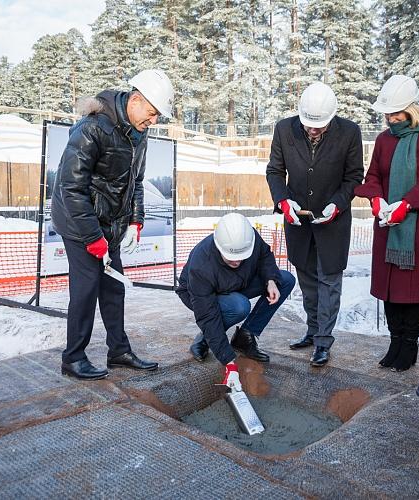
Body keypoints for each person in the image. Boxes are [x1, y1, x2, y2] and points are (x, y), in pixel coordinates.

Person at [51, 69, 175, 380]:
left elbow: (136, 180)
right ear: (135, 100)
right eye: (152, 112)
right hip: (79, 222)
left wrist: (136, 219)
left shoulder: (138, 132)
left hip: (111, 224)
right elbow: (71, 188)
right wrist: (92, 236)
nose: (154, 120)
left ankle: (118, 351)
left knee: (113, 289)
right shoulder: (92, 129)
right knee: (86, 288)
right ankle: (73, 357)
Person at [353, 75, 419, 372]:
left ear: (413, 109)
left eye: (397, 112)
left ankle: (409, 344)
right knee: (390, 288)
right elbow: (373, 177)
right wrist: (377, 200)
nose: (391, 118)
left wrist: (406, 204)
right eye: (388, 113)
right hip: (386, 227)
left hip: (418, 229)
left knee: (413, 290)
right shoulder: (384, 140)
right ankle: (395, 340)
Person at [266, 82, 364, 367]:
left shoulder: (349, 132)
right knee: (307, 279)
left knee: (329, 281)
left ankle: (323, 341)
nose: (313, 130)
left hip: (332, 223)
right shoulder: (284, 129)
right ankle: (312, 331)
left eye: (319, 126)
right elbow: (275, 170)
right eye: (309, 125)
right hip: (298, 222)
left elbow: (354, 176)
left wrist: (338, 203)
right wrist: (283, 201)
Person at [176, 213, 296, 384]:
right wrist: (228, 361)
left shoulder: (248, 238)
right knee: (239, 306)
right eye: (231, 258)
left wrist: (270, 280)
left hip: (237, 282)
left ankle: (244, 337)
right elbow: (207, 315)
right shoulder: (202, 264)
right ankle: (205, 338)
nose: (237, 261)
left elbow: (264, 256)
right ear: (220, 247)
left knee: (284, 280)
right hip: (199, 294)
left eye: (242, 256)